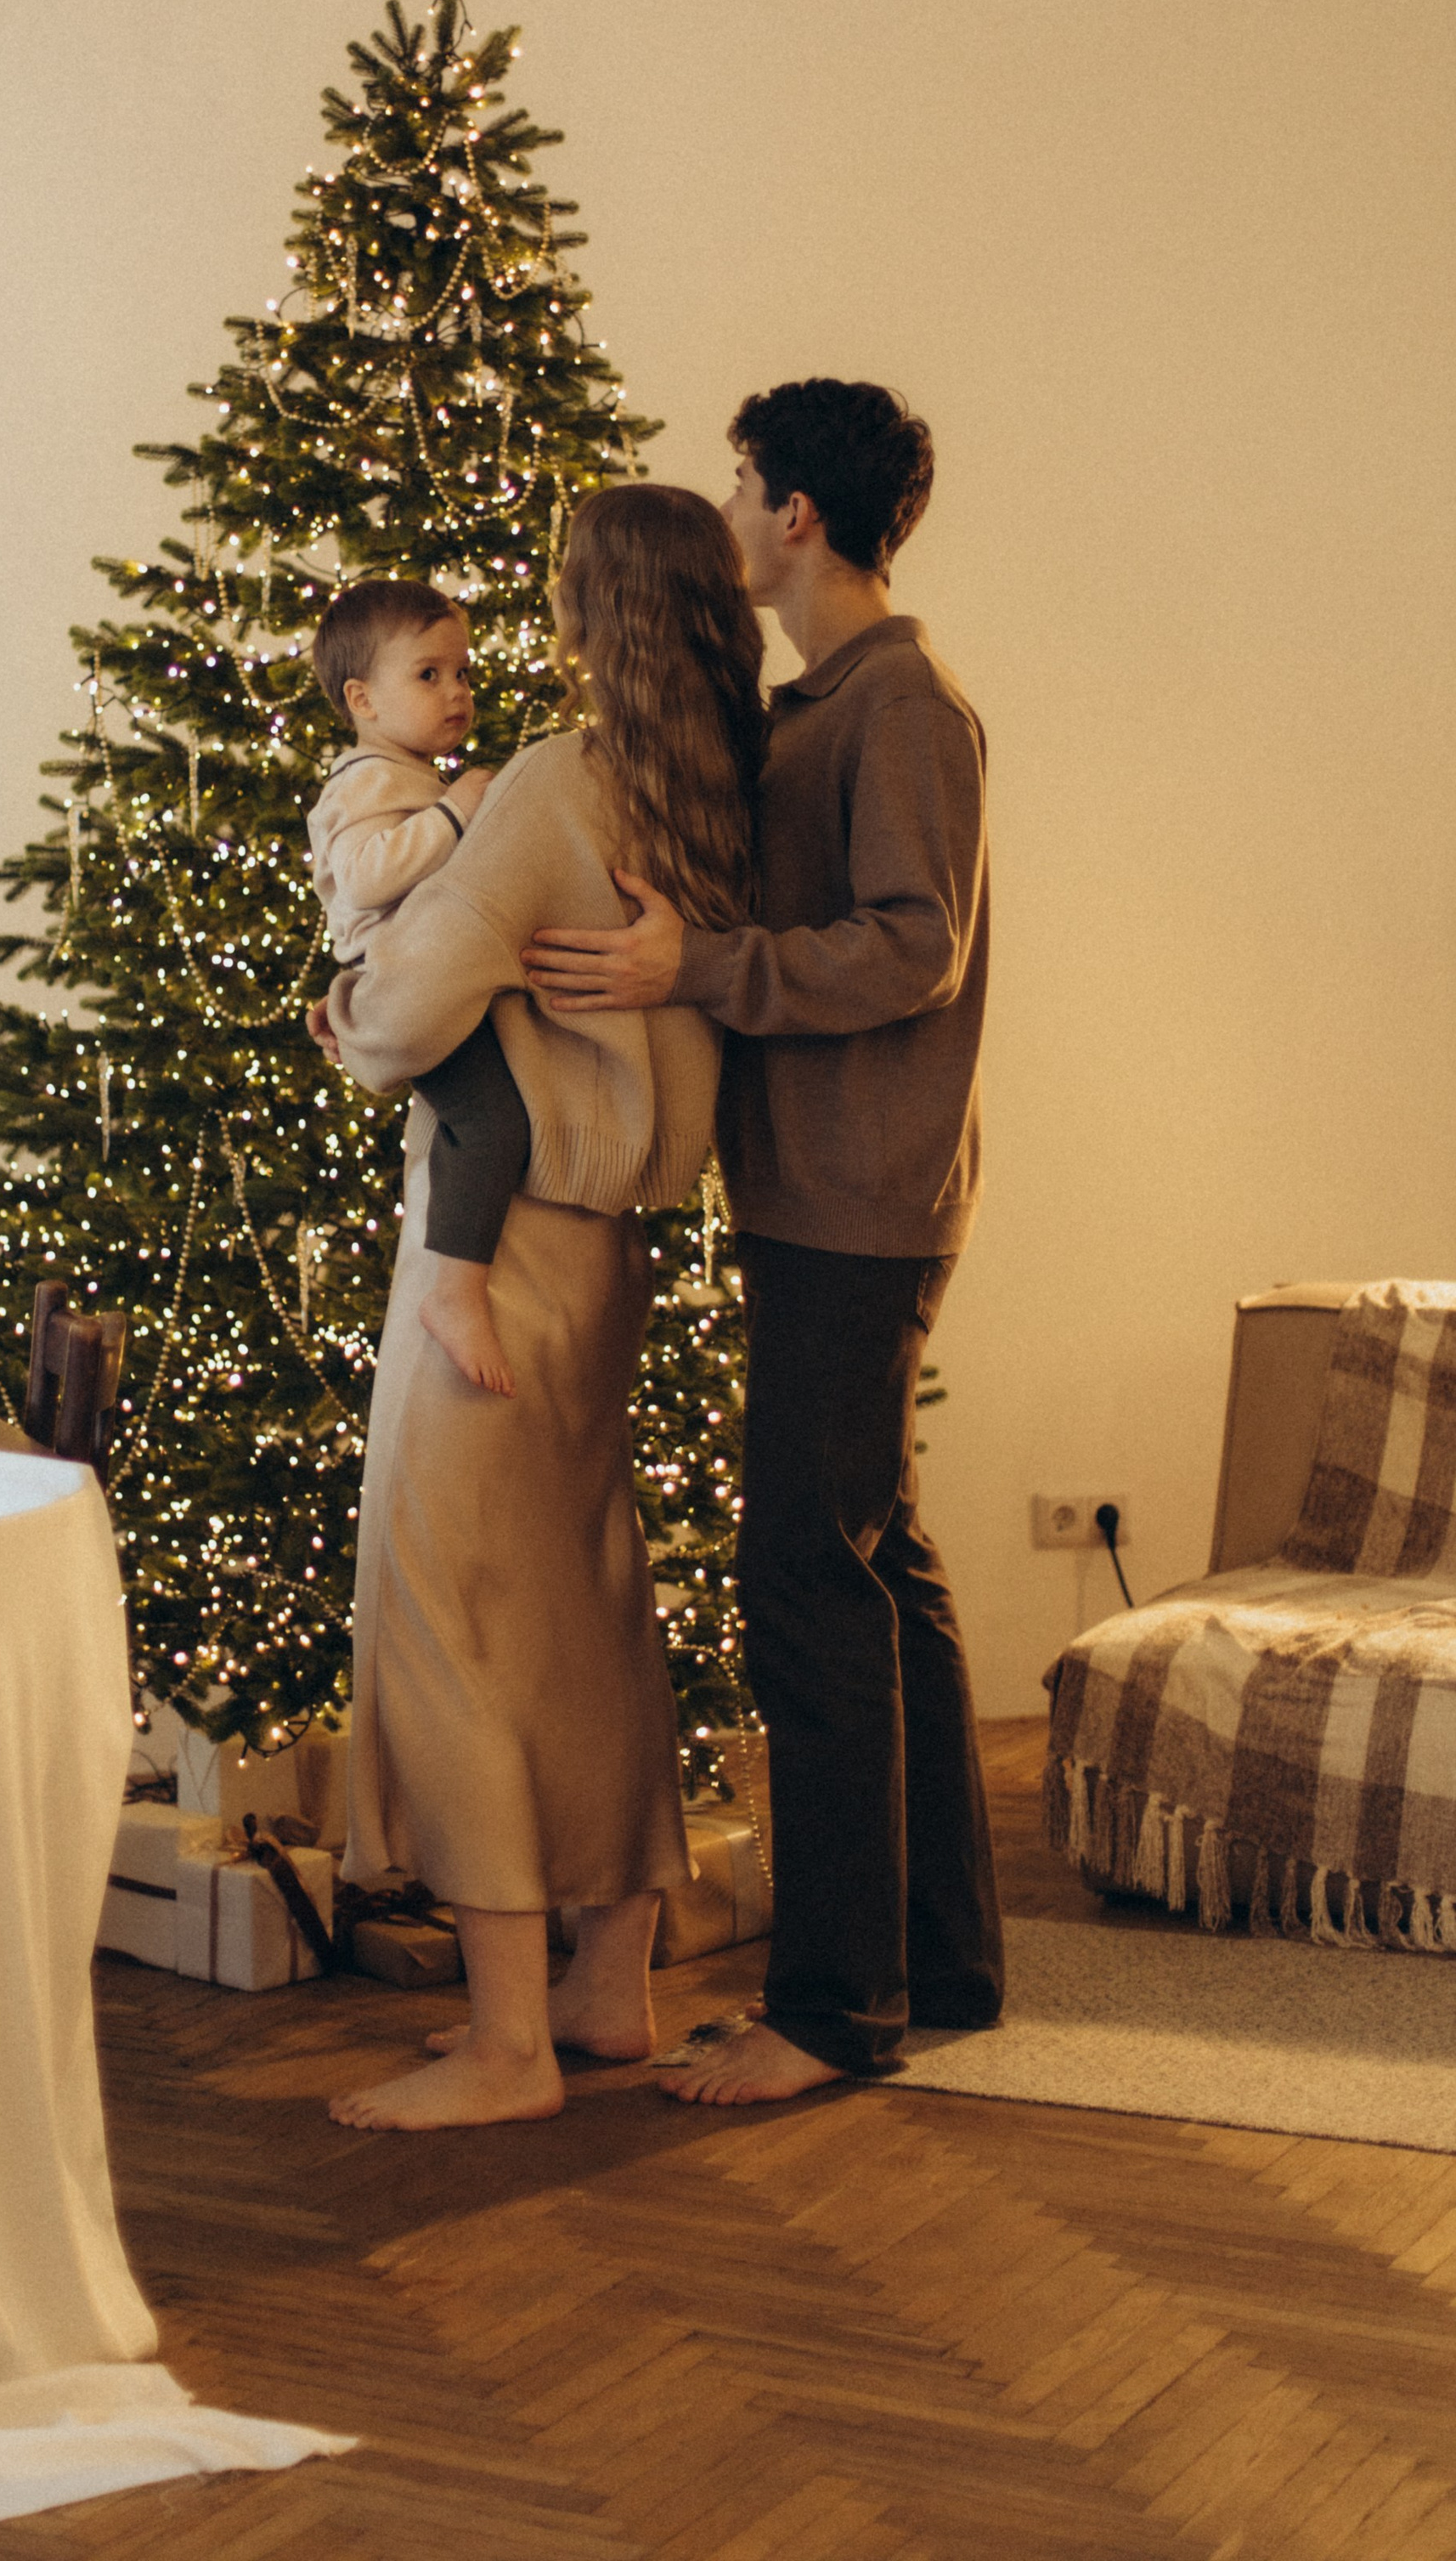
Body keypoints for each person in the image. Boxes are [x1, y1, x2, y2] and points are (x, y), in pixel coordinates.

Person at [523, 377, 1002, 2106]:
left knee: (802, 1581)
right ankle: (937, 1966)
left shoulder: (902, 710)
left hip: (857, 1203)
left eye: (737, 485)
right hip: (824, 1191)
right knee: (884, 1571)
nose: (722, 513)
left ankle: (827, 2011)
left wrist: (692, 972)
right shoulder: (821, 707)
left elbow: (908, 950)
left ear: (795, 515)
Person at [312, 484, 768, 2130]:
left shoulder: (558, 784)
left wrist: (344, 1005)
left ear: (598, 618)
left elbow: (406, 1005)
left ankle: (508, 2047)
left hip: (500, 1257)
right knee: (585, 1606)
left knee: (451, 1622)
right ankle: (604, 1989)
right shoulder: (719, 788)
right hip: (612, 1251)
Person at [306, 580, 528, 1396]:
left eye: (462, 674)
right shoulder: (367, 779)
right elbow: (364, 878)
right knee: (493, 1120)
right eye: (429, 675)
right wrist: (456, 816)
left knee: (492, 1112)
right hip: (400, 983)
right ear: (361, 700)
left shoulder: (404, 772)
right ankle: (456, 1293)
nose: (457, 693)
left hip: (428, 974)